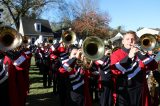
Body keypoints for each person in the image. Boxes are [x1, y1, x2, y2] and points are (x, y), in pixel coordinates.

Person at [110, 31, 158, 106]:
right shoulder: (116, 54)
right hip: (124, 90)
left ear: (136, 41)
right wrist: (129, 57)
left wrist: (142, 55)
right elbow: (115, 71)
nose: (130, 41)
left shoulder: (141, 53)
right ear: (123, 41)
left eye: (132, 39)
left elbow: (154, 66)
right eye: (127, 39)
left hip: (140, 90)